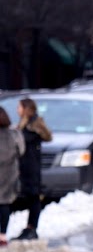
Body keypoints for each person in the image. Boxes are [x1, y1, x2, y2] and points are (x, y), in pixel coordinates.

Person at [14, 97, 52, 240]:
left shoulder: (33, 125)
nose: (17, 110)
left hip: (31, 167)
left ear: (26, 109)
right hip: (24, 166)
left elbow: (43, 137)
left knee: (33, 196)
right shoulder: (24, 125)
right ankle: (30, 226)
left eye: (19, 107)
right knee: (29, 196)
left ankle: (32, 227)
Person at [0, 107, 25, 246]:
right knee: (4, 204)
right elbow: (21, 150)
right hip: (8, 173)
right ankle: (2, 235)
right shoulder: (14, 134)